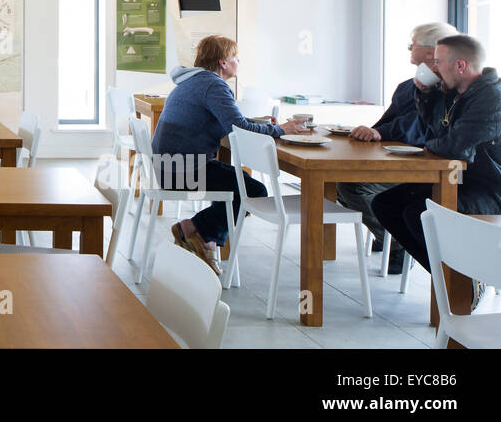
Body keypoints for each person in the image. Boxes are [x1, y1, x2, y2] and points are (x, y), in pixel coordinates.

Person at [151, 35, 309, 274]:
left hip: (168, 167)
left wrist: (259, 123)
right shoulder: (213, 85)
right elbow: (239, 128)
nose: (238, 62)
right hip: (183, 172)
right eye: (235, 57)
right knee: (254, 191)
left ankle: (201, 236)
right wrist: (281, 130)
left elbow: (231, 121)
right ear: (223, 62)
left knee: (237, 185)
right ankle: (196, 230)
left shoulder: (192, 81)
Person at [373, 34, 501, 289]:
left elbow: (453, 146)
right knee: (385, 204)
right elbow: (434, 130)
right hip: (462, 180)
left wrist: (430, 145)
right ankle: (455, 280)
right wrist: (425, 95)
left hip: (493, 189)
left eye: (438, 62)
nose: (434, 68)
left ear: (460, 66)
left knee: (421, 214)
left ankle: (461, 283)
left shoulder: (492, 98)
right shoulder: (455, 91)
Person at [336, 21, 457, 273]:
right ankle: (388, 234)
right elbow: (389, 122)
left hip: (424, 170)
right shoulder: (406, 87)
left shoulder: (450, 93)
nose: (409, 50)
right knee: (340, 182)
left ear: (429, 51)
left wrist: (379, 132)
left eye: (412, 45)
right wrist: (368, 131)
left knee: (352, 187)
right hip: (395, 162)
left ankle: (398, 244)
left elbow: (420, 127)